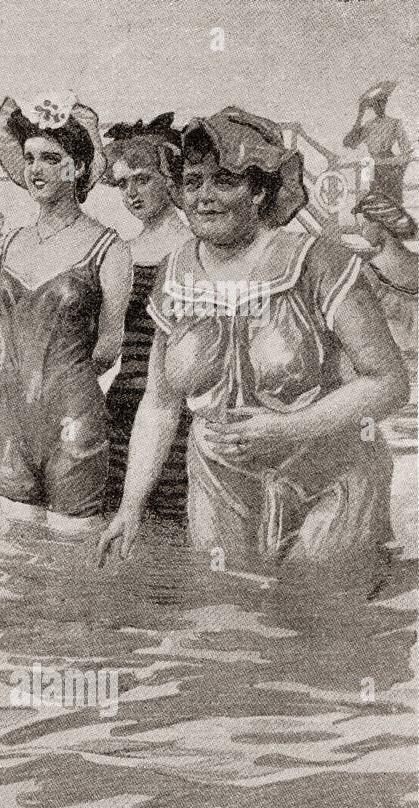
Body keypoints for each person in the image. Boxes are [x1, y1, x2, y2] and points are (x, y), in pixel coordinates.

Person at [97, 107, 408, 568]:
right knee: (223, 618)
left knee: (321, 610)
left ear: (261, 189)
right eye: (192, 182)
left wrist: (285, 428)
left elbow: (389, 382)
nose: (203, 197)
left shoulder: (318, 262)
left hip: (329, 475)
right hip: (220, 484)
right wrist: (129, 507)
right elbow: (160, 405)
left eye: (224, 180)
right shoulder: (175, 272)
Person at [0, 94, 133, 531]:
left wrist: (64, 385)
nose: (36, 169)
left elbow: (109, 347)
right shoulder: (11, 241)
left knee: (71, 554)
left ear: (80, 167)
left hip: (75, 415)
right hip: (8, 415)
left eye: (52, 158)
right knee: (16, 553)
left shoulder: (110, 248)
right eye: (30, 157)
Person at [102, 113, 193, 521]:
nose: (131, 194)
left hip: (180, 409)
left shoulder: (196, 249)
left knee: (175, 517)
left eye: (142, 179)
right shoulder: (122, 249)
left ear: (170, 179)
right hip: (123, 402)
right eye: (122, 184)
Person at [352, 191, 417, 358]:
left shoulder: (366, 273)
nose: (360, 231)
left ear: (381, 225)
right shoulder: (366, 272)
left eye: (364, 224)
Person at [343, 81, 413, 204]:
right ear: (372, 106)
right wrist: (360, 115)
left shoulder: (394, 123)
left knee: (392, 206)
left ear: (386, 102)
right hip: (373, 170)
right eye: (376, 103)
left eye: (382, 101)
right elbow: (349, 143)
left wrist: (394, 166)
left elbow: (407, 153)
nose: (380, 106)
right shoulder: (368, 126)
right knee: (374, 206)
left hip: (391, 170)